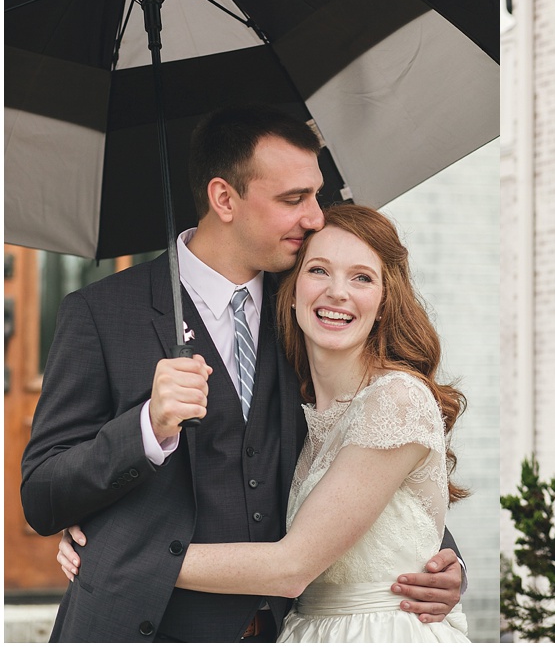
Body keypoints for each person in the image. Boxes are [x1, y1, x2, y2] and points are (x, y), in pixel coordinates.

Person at [23, 104, 463, 642]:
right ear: (224, 198)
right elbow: (42, 494)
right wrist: (145, 428)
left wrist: (442, 555)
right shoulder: (100, 313)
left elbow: (366, 447)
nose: (316, 218)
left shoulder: (308, 308)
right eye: (293, 199)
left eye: (316, 195)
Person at [170, 203, 470, 642]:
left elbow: (292, 567)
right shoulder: (301, 408)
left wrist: (126, 557)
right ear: (291, 291)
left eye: (362, 277)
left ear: (386, 301)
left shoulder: (397, 400)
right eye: (318, 271)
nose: (337, 292)